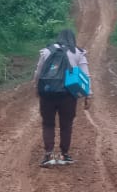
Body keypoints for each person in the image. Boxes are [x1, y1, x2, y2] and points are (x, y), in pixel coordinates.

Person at [34, 28, 92, 167]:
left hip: (47, 93)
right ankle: (64, 155)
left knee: (48, 123)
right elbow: (86, 75)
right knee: (66, 125)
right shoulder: (77, 52)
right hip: (68, 95)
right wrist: (88, 95)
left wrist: (37, 88)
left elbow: (38, 72)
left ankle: (48, 155)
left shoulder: (47, 51)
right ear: (73, 38)